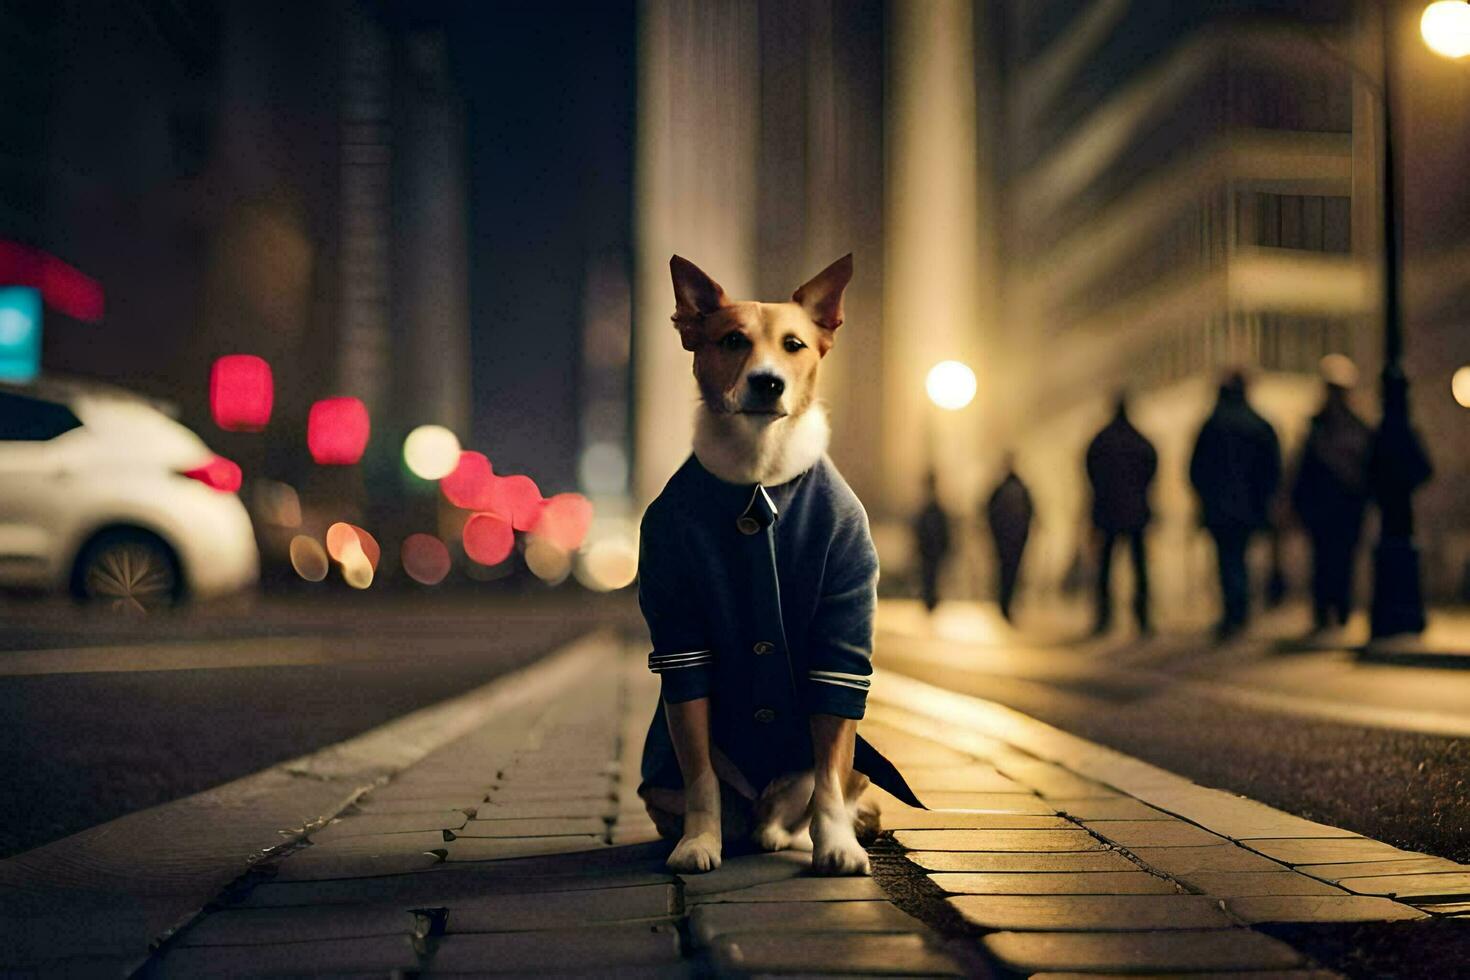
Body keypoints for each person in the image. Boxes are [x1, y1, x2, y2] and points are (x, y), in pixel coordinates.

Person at [1189, 371, 1282, 639]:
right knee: (1241, 557)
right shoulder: (1259, 425)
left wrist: (1205, 498)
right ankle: (1240, 610)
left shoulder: (1213, 425)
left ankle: (1235, 611)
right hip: (1250, 507)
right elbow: (1272, 469)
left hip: (1220, 507)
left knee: (1228, 559)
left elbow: (1197, 469)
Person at [1291, 364, 1373, 630]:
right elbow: (1304, 470)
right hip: (1327, 507)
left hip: (1344, 506)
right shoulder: (1323, 427)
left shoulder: (1350, 427)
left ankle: (1337, 610)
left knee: (1340, 560)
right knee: (1326, 561)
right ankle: (1328, 611)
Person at [1085, 394, 1157, 635]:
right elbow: (1151, 467)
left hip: (1107, 512)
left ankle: (1104, 618)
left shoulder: (1101, 441)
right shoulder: (1140, 441)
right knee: (1139, 568)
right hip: (1136, 512)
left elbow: (1090, 472)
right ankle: (1143, 618)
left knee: (1105, 568)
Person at [985, 454, 1033, 623]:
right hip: (1015, 538)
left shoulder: (1000, 490)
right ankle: (1006, 604)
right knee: (1011, 572)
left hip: (1004, 538)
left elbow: (989, 512)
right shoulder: (1021, 489)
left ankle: (1004, 604)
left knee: (1004, 571)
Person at [912, 471, 951, 614]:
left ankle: (930, 600)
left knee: (930, 576)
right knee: (930, 576)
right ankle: (930, 600)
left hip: (931, 549)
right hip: (930, 549)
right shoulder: (932, 509)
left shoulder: (932, 509)